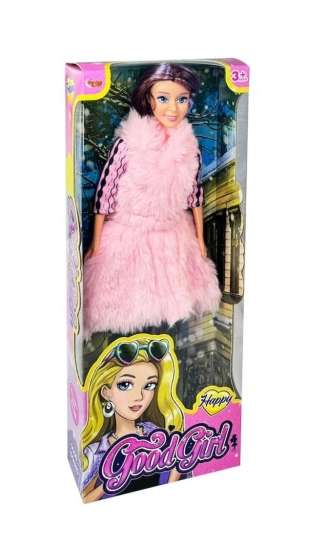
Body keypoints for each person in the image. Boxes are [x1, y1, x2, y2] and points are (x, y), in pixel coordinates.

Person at [82, 63, 222, 339]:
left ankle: (165, 344)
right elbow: (106, 191)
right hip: (129, 232)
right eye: (163, 98)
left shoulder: (188, 147)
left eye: (181, 99)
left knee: (172, 301)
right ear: (148, 98)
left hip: (173, 233)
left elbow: (194, 194)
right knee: (122, 298)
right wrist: (96, 240)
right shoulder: (129, 143)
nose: (173, 108)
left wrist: (200, 238)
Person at [80, 336, 185, 502]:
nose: (139, 396)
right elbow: (84, 499)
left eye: (149, 385)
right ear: (106, 392)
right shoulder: (96, 452)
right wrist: (113, 479)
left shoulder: (157, 433)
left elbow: (180, 463)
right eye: (125, 384)